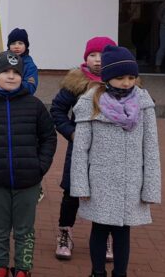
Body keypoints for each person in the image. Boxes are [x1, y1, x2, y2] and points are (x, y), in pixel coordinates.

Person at [70, 45, 161, 277]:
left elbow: (151, 148)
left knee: (123, 232)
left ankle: (120, 273)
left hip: (131, 182)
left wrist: (150, 188)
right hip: (100, 181)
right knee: (99, 229)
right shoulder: (90, 102)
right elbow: (80, 150)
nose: (127, 83)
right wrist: (81, 185)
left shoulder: (143, 103)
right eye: (120, 78)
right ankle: (97, 272)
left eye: (131, 77)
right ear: (107, 77)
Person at [0, 51, 57, 277]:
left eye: (16, 72)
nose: (11, 76)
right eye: (5, 71)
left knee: (25, 230)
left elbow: (49, 137)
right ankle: (0, 267)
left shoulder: (34, 105)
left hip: (29, 181)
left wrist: (40, 166)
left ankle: (23, 268)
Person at [50, 36, 116, 261]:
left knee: (105, 193)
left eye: (103, 55)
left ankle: (105, 236)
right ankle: (64, 233)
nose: (98, 60)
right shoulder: (76, 83)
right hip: (80, 149)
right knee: (72, 192)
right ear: (85, 58)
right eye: (93, 55)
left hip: (109, 151)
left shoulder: (121, 82)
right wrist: (72, 133)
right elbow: (57, 110)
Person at [0, 28, 39, 95]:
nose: (16, 46)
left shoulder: (29, 65)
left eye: (20, 43)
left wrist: (11, 90)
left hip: (20, 98)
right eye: (13, 43)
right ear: (9, 46)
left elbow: (31, 86)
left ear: (26, 46)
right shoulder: (1, 60)